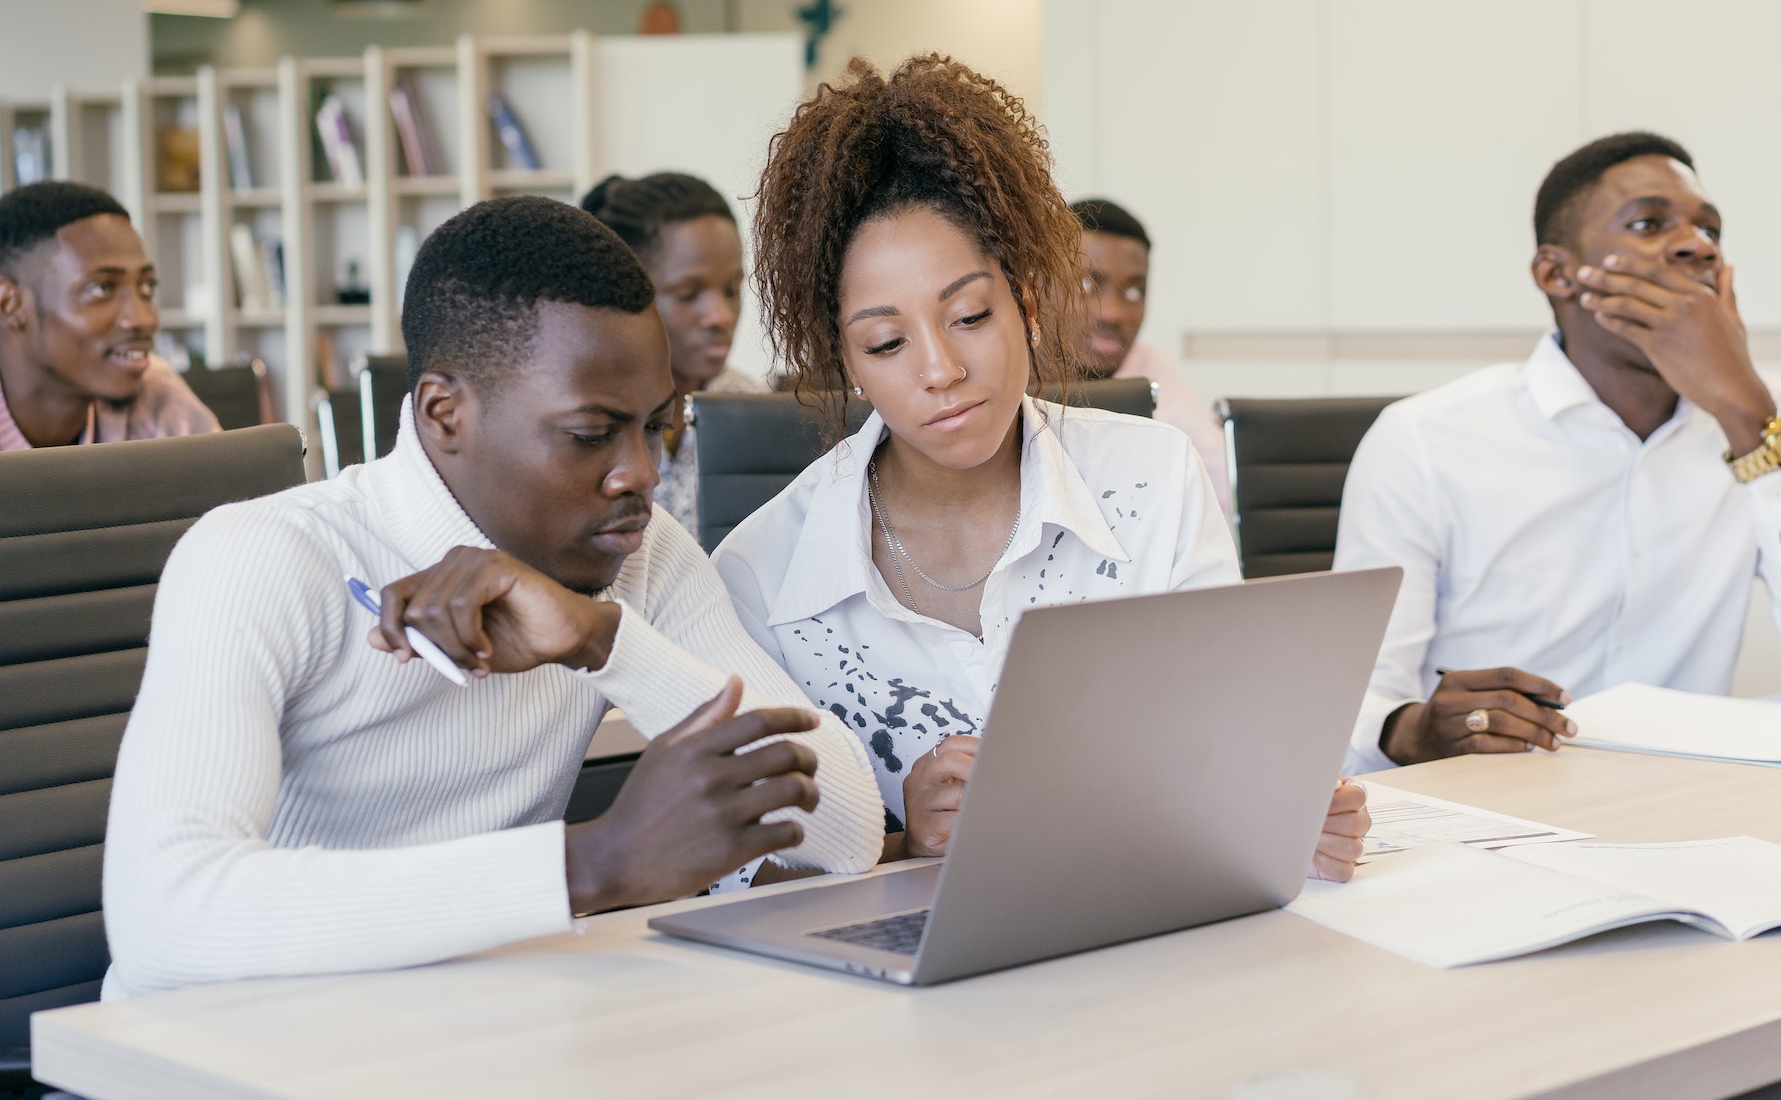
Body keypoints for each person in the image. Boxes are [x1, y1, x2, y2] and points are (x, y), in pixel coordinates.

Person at [103, 196, 884, 997]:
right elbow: (165, 920)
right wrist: (594, 863)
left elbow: (848, 831)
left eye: (658, 426)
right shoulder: (264, 558)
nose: (642, 474)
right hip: (231, 1048)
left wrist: (600, 641)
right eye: (591, 435)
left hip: (471, 1029)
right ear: (446, 413)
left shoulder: (638, 552)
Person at [712, 55, 1368, 880]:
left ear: (1025, 296)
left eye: (970, 315)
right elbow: (746, 877)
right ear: (842, 357)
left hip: (1153, 932)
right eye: (886, 343)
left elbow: (1237, 734)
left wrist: (1289, 806)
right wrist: (901, 845)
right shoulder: (762, 574)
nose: (941, 368)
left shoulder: (1152, 477)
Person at [1335, 132, 1781, 771]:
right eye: (1648, 224)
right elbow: (1351, 706)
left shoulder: (1775, 418)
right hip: (1487, 809)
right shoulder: (1424, 439)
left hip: (1682, 799)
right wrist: (1414, 730)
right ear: (1556, 274)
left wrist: (1747, 417)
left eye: (1710, 231)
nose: (1698, 245)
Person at [583, 172, 763, 533]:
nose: (721, 316)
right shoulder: (585, 421)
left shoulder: (752, 411)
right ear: (626, 292)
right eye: (687, 294)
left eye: (731, 289)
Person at [0, 179, 216, 448]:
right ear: (10, 303)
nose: (143, 319)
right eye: (102, 288)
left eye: (146, 286)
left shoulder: (158, 395)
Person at [1069, 197, 1232, 518]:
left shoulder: (1150, 376)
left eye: (1134, 292)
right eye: (1087, 285)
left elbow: (1222, 496)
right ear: (1038, 284)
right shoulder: (1002, 374)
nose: (1113, 313)